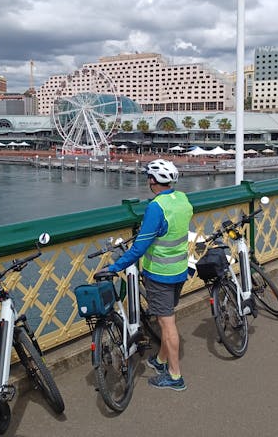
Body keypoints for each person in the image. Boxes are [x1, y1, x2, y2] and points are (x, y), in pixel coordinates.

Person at [99, 158, 192, 391]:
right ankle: (160, 361)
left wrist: (114, 267)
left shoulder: (155, 208)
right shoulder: (182, 199)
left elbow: (139, 248)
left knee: (167, 323)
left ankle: (174, 376)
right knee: (167, 317)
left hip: (160, 273)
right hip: (180, 268)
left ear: (152, 180)